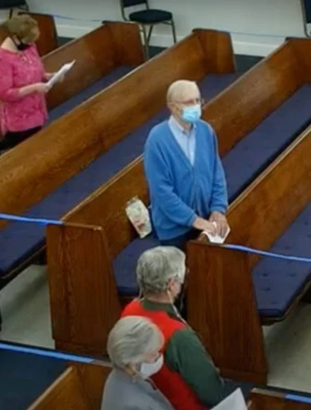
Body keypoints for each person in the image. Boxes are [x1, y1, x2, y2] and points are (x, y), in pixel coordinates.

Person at [121, 246, 225, 409]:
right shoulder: (180, 337)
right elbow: (212, 394)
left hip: (149, 397)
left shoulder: (129, 310)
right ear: (171, 284)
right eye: (182, 276)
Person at [143, 80, 229, 251]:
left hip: (205, 218)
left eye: (198, 101)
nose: (196, 106)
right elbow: (162, 192)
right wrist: (194, 220)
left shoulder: (206, 131)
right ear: (173, 107)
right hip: (174, 230)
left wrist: (218, 209)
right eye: (190, 102)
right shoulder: (157, 140)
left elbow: (216, 173)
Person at [0, 14, 60, 150]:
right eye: (28, 41)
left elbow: (35, 72)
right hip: (19, 120)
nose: (31, 44)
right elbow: (5, 94)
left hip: (36, 109)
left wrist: (49, 76)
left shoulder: (29, 46)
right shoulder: (2, 59)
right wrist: (34, 88)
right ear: (15, 37)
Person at [101, 316, 175, 410]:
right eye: (152, 354)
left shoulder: (124, 374)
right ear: (132, 361)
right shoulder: (132, 405)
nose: (157, 356)